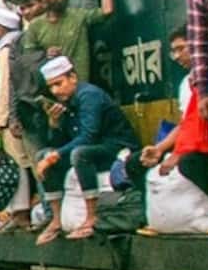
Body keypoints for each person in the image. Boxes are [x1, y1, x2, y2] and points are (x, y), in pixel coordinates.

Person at [34, 54, 143, 243]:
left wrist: (55, 156)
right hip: (94, 149)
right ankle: (56, 219)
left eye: (58, 84)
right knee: (41, 154)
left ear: (73, 77)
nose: (55, 90)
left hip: (116, 147)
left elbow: (87, 136)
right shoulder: (66, 103)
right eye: (51, 86)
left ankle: (91, 217)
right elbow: (62, 140)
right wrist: (54, 124)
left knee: (79, 154)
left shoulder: (88, 95)